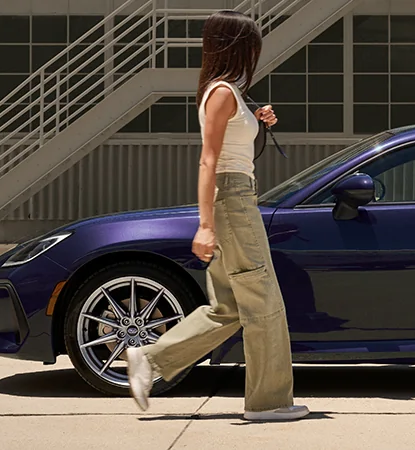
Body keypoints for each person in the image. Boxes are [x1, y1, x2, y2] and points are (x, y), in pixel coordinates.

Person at [125, 10, 308, 422]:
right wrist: (205, 225)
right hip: (234, 199)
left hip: (236, 197)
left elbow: (229, 144)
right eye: (253, 46)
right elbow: (208, 161)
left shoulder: (228, 93)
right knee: (264, 301)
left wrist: (257, 120)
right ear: (238, 47)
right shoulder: (223, 92)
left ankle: (149, 360)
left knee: (228, 306)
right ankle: (270, 403)